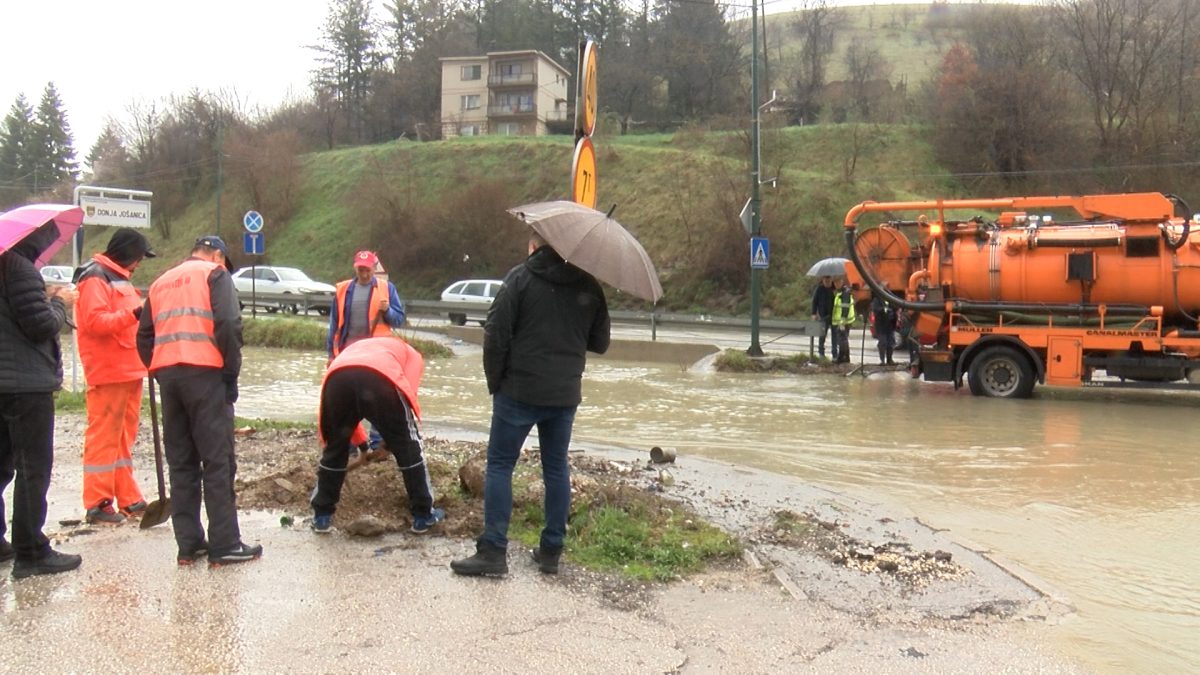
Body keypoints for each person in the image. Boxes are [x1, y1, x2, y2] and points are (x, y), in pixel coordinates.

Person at [451, 232, 610, 577]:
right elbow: (600, 342)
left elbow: (495, 334)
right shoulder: (588, 285)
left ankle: (494, 551)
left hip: (518, 391)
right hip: (564, 394)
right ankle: (551, 550)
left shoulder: (520, 278)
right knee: (556, 469)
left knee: (500, 466)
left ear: (535, 245)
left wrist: (496, 382)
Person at [137, 235, 261, 566]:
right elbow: (229, 324)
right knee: (218, 461)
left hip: (170, 379)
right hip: (206, 375)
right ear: (218, 255)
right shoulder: (214, 274)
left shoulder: (161, 281)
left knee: (182, 462)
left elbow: (144, 335)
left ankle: (188, 545)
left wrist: (158, 370)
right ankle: (224, 544)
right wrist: (230, 373)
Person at [0, 219, 83, 579]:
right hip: (26, 383)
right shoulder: (20, 268)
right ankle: (31, 551)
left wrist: (42, 296)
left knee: (2, 465)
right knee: (34, 468)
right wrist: (61, 304)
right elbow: (40, 326)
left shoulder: (6, 267)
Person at [310, 336, 444, 534]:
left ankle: (322, 517)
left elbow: (345, 426)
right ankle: (424, 515)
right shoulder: (413, 355)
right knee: (409, 445)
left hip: (337, 377)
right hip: (379, 377)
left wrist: (363, 446)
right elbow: (407, 393)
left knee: (335, 446)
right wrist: (390, 444)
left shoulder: (356, 349)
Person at [75, 228, 157, 525]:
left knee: (124, 437)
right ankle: (97, 502)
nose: (139, 264)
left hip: (129, 368)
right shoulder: (95, 277)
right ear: (126, 252)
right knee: (104, 437)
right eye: (138, 257)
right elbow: (95, 323)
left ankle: (129, 498)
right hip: (108, 371)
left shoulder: (118, 277)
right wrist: (136, 313)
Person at [327, 250, 406, 359]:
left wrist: (388, 310)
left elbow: (399, 321)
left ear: (374, 268)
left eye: (368, 270)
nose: (364, 275)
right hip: (348, 351)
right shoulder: (342, 290)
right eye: (361, 270)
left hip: (377, 352)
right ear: (355, 268)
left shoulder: (387, 288)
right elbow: (333, 325)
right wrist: (331, 355)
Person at [870, 280, 899, 365]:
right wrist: (884, 310)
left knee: (891, 343)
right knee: (883, 342)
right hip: (881, 324)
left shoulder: (891, 298)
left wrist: (892, 312)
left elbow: (895, 307)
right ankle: (882, 360)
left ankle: (889, 360)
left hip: (890, 324)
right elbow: (875, 309)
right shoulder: (877, 299)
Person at [810, 275, 835, 360]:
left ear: (831, 280)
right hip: (823, 316)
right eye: (825, 280)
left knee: (835, 336)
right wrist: (814, 313)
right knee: (822, 336)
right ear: (823, 280)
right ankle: (821, 353)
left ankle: (835, 354)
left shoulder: (834, 289)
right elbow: (814, 302)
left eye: (829, 280)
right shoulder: (819, 289)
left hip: (834, 316)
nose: (827, 282)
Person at [831, 282, 856, 364]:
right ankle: (846, 357)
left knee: (842, 340)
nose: (836, 284)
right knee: (844, 339)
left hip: (844, 321)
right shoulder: (842, 292)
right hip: (845, 321)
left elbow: (845, 308)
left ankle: (841, 357)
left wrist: (842, 321)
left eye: (838, 282)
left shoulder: (844, 293)